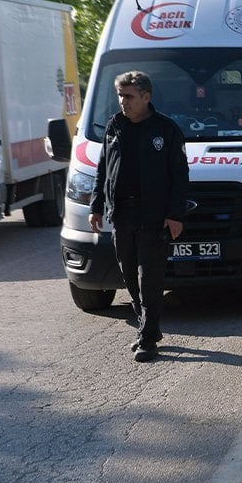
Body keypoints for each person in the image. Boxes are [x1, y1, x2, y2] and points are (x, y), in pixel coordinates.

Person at [87, 70, 189, 363]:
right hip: (122, 213)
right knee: (129, 273)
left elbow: (180, 176)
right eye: (120, 95)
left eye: (129, 96)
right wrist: (96, 206)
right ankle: (148, 325)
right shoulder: (114, 126)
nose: (123, 102)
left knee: (149, 276)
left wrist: (175, 214)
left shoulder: (165, 130)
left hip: (153, 215)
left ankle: (147, 337)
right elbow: (102, 169)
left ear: (146, 97)